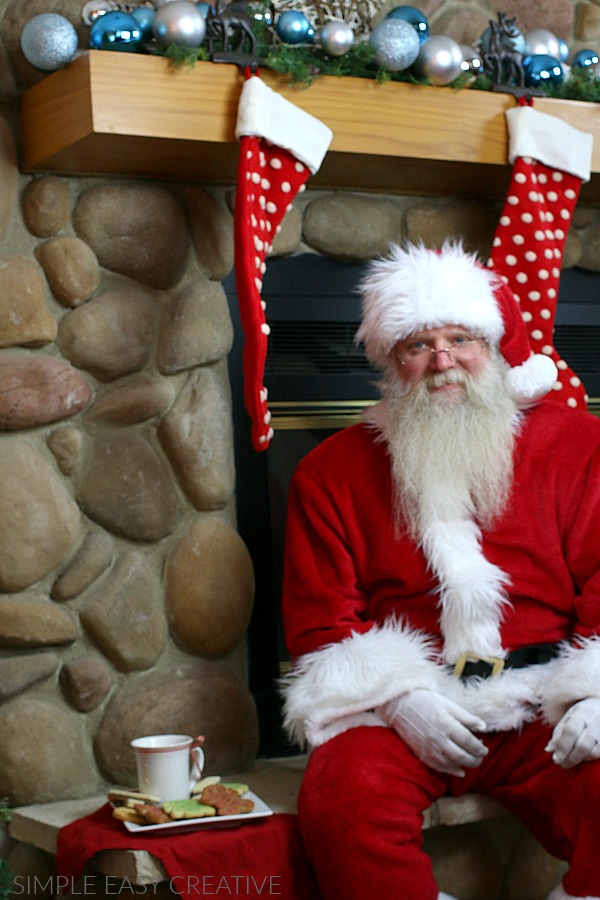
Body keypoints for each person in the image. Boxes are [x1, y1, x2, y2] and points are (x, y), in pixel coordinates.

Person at [280, 241, 600, 900]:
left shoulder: (578, 445)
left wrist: (596, 693)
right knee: (341, 804)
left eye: (461, 338)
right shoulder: (329, 473)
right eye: (418, 344)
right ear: (391, 360)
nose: (442, 361)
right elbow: (321, 620)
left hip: (546, 697)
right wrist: (398, 699)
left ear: (496, 347)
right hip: (407, 709)